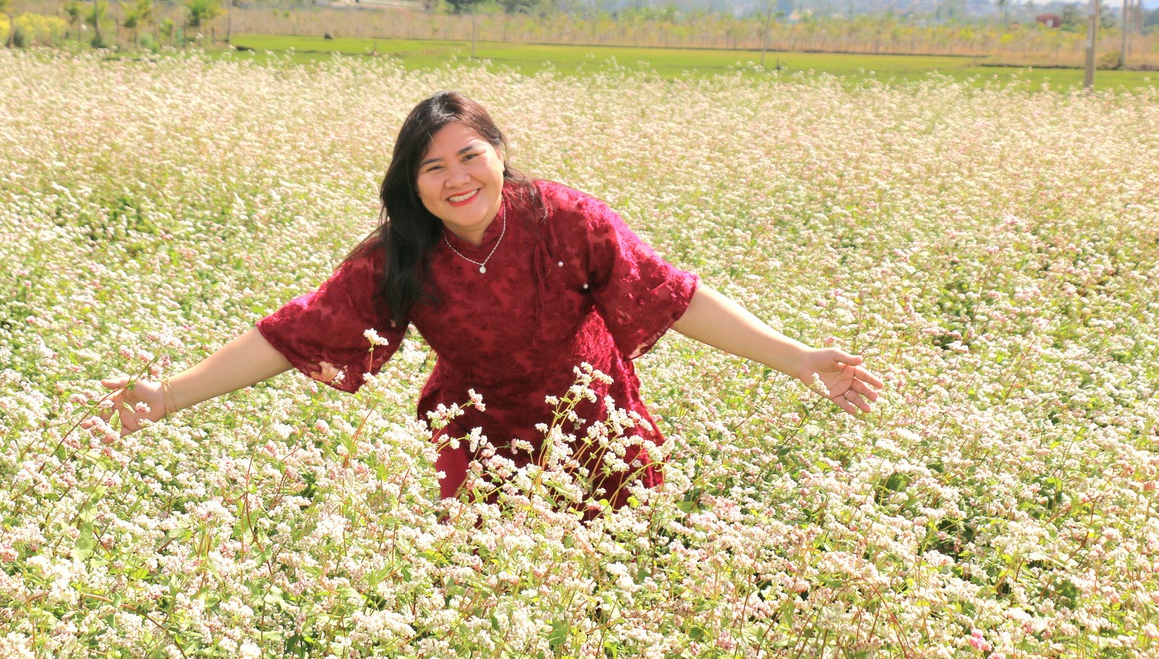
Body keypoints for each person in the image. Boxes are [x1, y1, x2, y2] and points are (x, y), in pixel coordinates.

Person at [101, 91, 883, 507]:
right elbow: (295, 333)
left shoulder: (567, 219)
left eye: (469, 156)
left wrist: (797, 358)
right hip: (481, 444)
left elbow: (672, 296)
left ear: (499, 155)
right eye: (432, 167)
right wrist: (168, 396)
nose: (456, 178)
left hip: (596, 429)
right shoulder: (401, 254)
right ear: (413, 183)